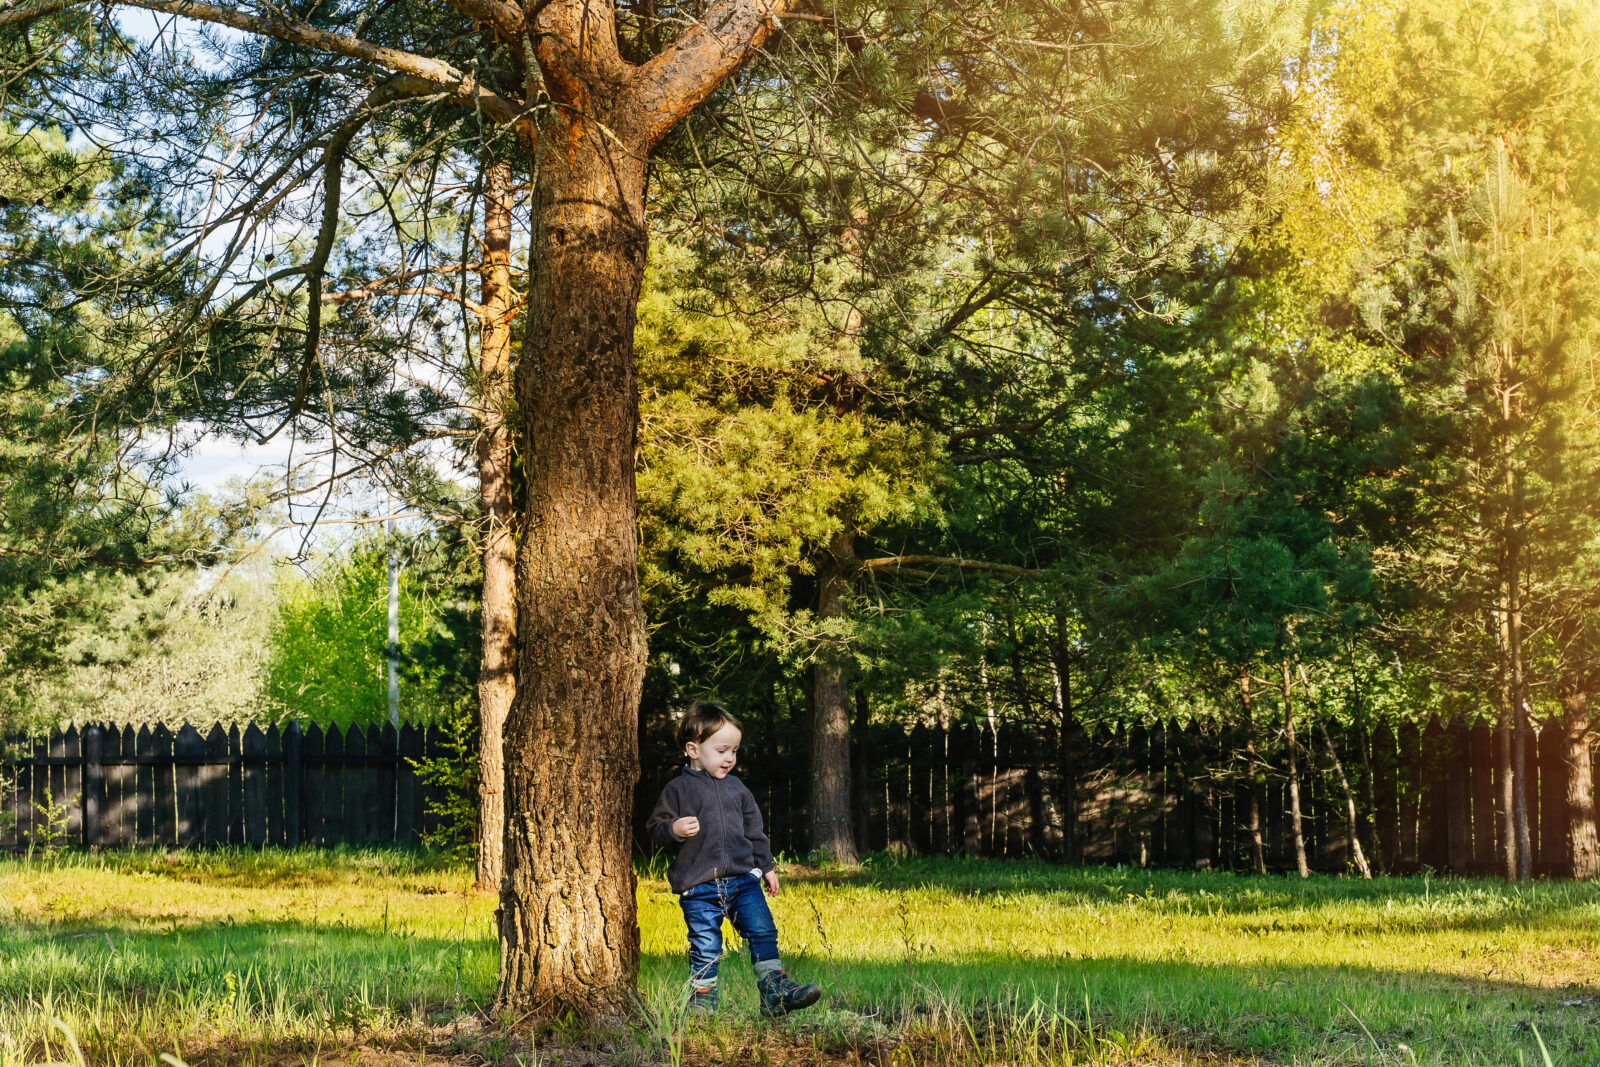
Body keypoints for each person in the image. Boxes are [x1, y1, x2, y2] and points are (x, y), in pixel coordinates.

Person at [646, 700, 823, 1018]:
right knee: (705, 944)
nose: (729, 758)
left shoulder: (738, 789)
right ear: (693, 749)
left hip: (743, 880)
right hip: (698, 885)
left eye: (734, 751)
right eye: (722, 750)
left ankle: (776, 992)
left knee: (762, 931)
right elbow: (656, 828)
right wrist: (673, 827)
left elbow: (755, 832)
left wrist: (767, 867)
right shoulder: (678, 789)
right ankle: (702, 1001)